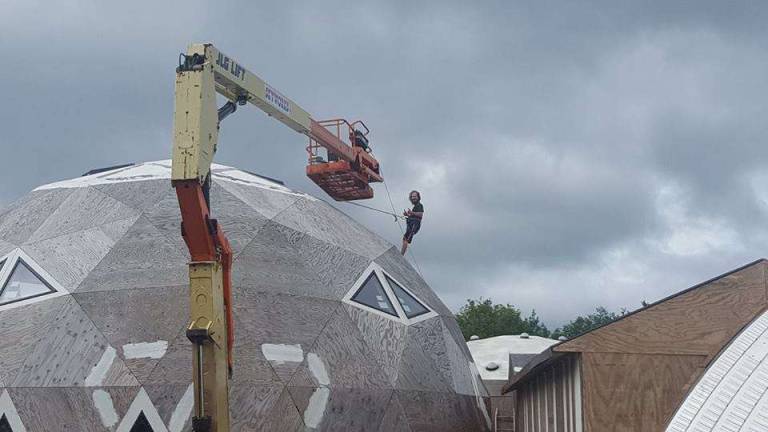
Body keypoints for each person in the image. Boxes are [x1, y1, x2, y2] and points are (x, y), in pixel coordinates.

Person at [401, 190, 424, 255]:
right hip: (411, 224)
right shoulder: (415, 206)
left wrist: (411, 213)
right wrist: (407, 215)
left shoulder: (420, 205)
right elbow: (414, 216)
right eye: (412, 197)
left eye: (415, 196)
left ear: (418, 197)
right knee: (405, 238)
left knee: (406, 239)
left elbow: (420, 215)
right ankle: (401, 254)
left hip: (414, 225)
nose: (413, 198)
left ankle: (401, 255)